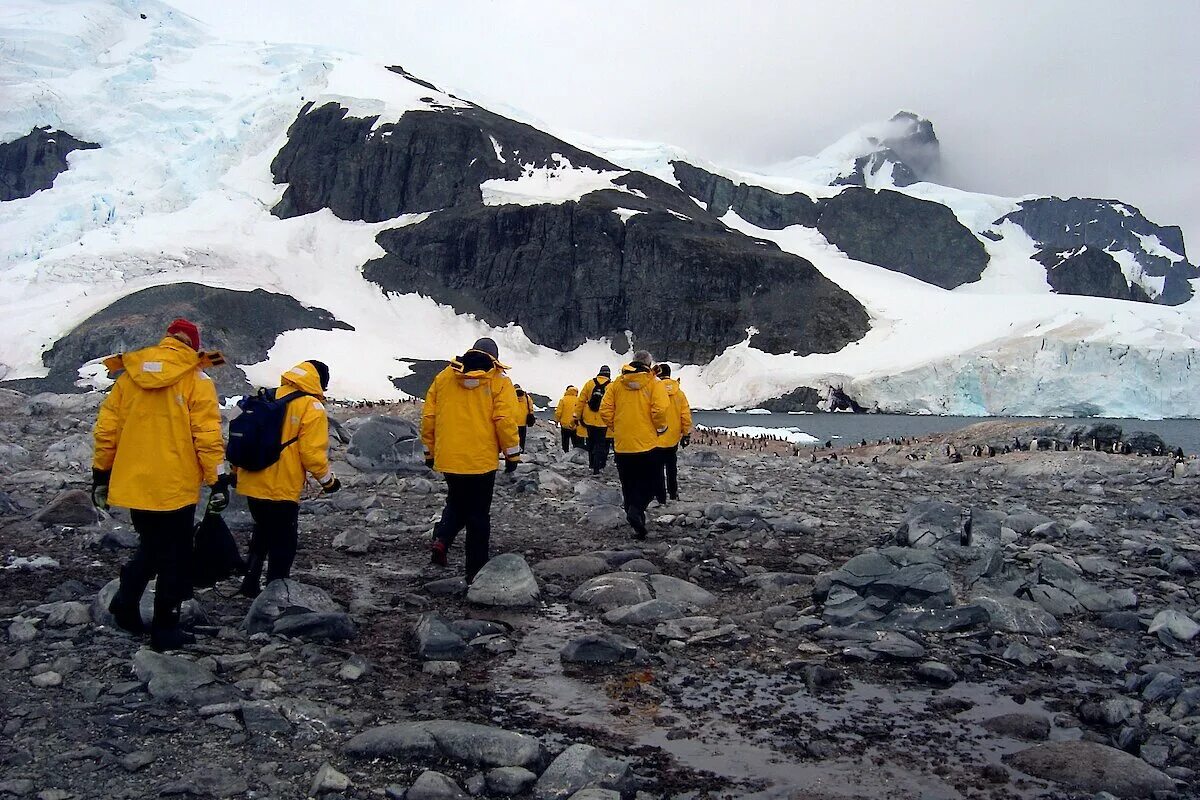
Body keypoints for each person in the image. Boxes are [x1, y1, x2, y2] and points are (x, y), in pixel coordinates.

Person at [92, 318, 228, 651]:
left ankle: (125, 604)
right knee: (175, 554)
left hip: (136, 483)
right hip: (175, 484)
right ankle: (165, 629)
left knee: (152, 545)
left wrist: (101, 473)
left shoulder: (130, 376)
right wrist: (218, 479)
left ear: (167, 339)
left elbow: (107, 429)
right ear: (193, 345)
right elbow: (207, 437)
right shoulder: (197, 380)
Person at [235, 360, 341, 598]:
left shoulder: (269, 396)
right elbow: (311, 453)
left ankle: (250, 583)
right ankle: (276, 591)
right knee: (284, 540)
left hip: (251, 479)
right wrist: (328, 481)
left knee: (262, 531)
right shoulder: (310, 406)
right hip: (280, 484)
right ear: (319, 381)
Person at [423, 337, 521, 581]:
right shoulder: (498, 381)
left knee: (456, 502)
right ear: (494, 357)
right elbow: (504, 420)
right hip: (481, 459)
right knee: (478, 513)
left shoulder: (444, 377)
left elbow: (429, 417)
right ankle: (475, 571)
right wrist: (512, 454)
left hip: (449, 456)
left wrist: (430, 451)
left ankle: (442, 539)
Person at [600, 350, 669, 539]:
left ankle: (638, 524)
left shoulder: (616, 385)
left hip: (622, 444)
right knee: (651, 483)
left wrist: (617, 427)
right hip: (647, 444)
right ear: (649, 363)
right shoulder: (655, 384)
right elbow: (660, 409)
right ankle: (636, 510)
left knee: (628, 483)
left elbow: (605, 410)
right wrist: (660, 428)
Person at [652, 364, 692, 503]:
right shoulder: (679, 393)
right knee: (671, 466)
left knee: (656, 468)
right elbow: (685, 415)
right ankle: (673, 493)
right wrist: (686, 434)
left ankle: (660, 496)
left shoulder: (653, 390)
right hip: (673, 437)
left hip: (655, 436)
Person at [576, 366, 612, 474]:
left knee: (591, 442)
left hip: (589, 419)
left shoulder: (589, 383)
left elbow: (581, 401)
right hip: (603, 420)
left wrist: (577, 416)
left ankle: (591, 464)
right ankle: (599, 465)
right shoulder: (612, 386)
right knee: (601, 443)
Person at [554, 385, 579, 453]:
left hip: (564, 424)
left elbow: (559, 412)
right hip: (575, 424)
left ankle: (565, 453)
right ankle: (576, 455)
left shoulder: (563, 399)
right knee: (575, 441)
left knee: (565, 441)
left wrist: (556, 421)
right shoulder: (578, 400)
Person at [514, 384, 535, 453]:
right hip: (523, 421)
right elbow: (531, 407)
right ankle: (521, 450)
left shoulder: (511, 396)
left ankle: (514, 451)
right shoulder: (526, 396)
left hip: (514, 421)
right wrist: (531, 414)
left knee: (513, 437)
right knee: (522, 437)